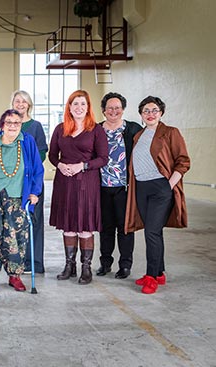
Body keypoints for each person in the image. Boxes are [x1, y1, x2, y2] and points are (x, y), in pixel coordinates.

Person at [0, 109, 44, 292]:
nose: (13, 126)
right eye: (9, 122)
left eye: (17, 123)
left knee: (16, 239)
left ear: (21, 125)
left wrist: (35, 192)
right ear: (2, 125)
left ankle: (14, 276)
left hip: (18, 199)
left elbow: (37, 170)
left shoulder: (27, 143)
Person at [125, 96, 190, 294]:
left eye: (154, 110)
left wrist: (168, 185)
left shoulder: (170, 133)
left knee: (151, 232)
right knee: (154, 231)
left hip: (160, 188)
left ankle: (151, 277)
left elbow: (183, 161)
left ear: (161, 112)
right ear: (141, 114)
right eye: (146, 111)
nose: (150, 114)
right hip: (141, 188)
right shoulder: (139, 135)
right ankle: (159, 273)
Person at [49, 90, 108, 285]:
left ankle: (86, 268)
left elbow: (103, 159)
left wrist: (82, 166)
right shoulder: (60, 129)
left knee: (85, 227)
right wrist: (60, 165)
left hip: (87, 183)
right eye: (75, 104)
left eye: (83, 104)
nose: (79, 107)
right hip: (64, 182)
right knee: (68, 227)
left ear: (88, 107)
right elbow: (52, 155)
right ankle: (69, 266)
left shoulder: (96, 130)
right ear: (69, 107)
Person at [96, 92, 142, 279]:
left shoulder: (133, 129)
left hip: (124, 187)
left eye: (117, 107)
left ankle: (125, 265)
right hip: (102, 186)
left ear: (122, 109)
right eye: (109, 108)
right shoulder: (96, 130)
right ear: (104, 110)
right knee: (105, 228)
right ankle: (105, 263)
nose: (113, 111)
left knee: (125, 227)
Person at [11, 90, 48, 274]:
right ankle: (15, 260)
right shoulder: (8, 125)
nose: (20, 104)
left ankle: (34, 262)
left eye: (24, 101)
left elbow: (42, 152)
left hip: (32, 180)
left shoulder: (36, 126)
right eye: (17, 101)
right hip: (13, 182)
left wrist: (27, 166)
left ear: (29, 105)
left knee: (34, 220)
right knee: (15, 222)